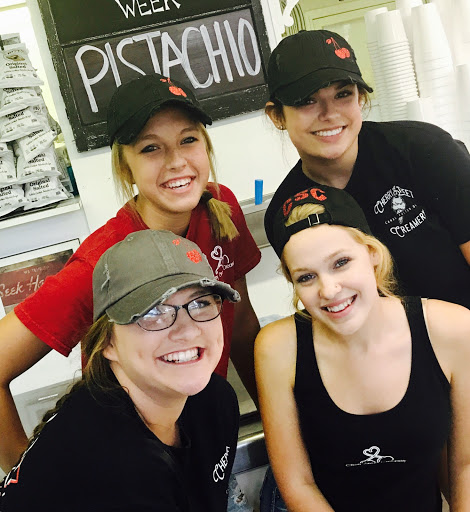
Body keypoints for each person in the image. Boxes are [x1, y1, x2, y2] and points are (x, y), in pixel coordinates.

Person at [0, 73, 261, 499]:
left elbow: (243, 323)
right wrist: (26, 477)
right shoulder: (101, 261)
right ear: (126, 166)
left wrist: (276, 422)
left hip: (199, 444)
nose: (176, 161)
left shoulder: (220, 207)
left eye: (188, 140)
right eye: (151, 148)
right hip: (130, 473)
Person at [255, 186, 470, 512]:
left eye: (341, 263)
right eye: (306, 277)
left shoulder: (452, 330)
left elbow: (465, 464)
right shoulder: (277, 348)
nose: (329, 290)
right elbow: (298, 484)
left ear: (372, 254)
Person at [0, 230, 241, 511]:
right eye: (153, 312)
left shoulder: (214, 402)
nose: (187, 331)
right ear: (107, 343)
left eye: (200, 303)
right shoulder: (109, 469)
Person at [263, 29, 470, 310]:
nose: (329, 113)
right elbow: (328, 307)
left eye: (343, 94)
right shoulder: (287, 211)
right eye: (306, 100)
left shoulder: (425, 150)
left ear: (360, 98)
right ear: (277, 116)